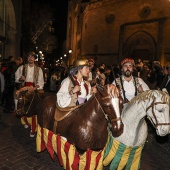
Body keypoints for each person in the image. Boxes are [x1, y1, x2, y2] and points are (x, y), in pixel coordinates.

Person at [15, 51, 44, 137]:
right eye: (29, 57)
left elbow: (41, 82)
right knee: (20, 102)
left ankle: (34, 126)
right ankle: (25, 119)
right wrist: (21, 78)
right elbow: (16, 79)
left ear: (35, 59)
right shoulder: (21, 68)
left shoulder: (39, 69)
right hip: (24, 88)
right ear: (27, 58)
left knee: (36, 106)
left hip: (34, 89)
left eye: (32, 57)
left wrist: (35, 88)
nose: (30, 58)